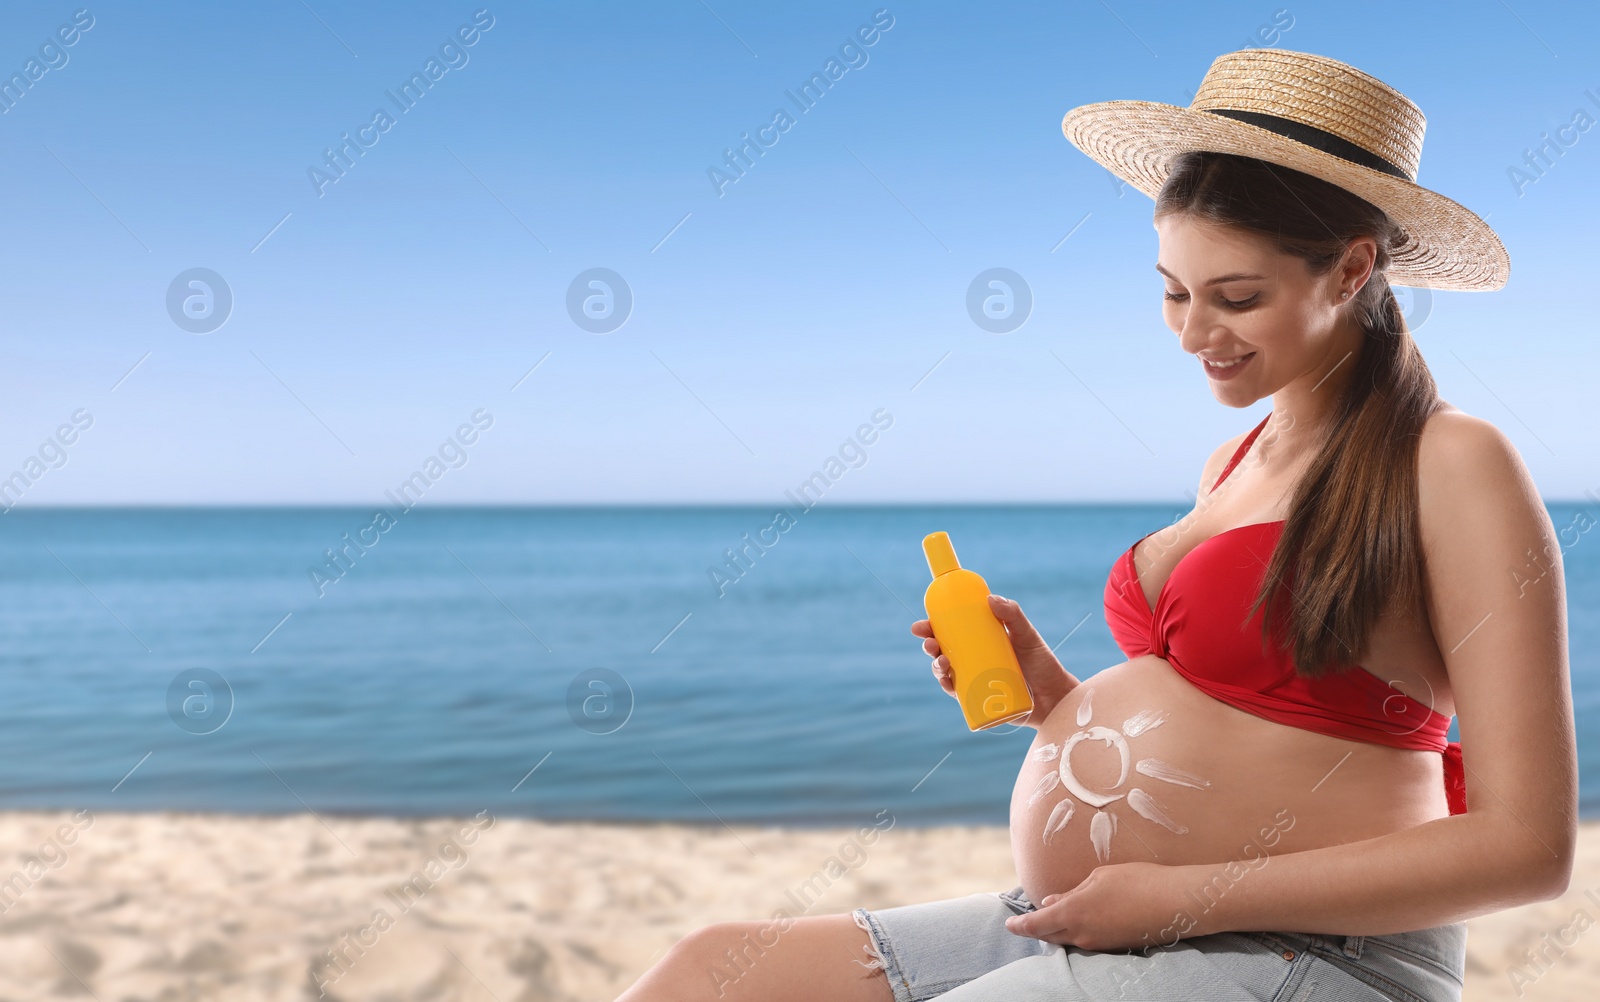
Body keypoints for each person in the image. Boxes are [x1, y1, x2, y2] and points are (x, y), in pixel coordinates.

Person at [616, 47, 1575, 1002]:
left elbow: (1526, 849)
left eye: (1237, 298)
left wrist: (1182, 900)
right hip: (1129, 926)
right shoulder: (1234, 464)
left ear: (1353, 269)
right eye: (1173, 292)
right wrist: (1058, 704)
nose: (1196, 335)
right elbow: (1239, 720)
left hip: (1316, 953)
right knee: (705, 972)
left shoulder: (1452, 462)